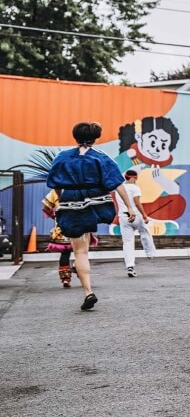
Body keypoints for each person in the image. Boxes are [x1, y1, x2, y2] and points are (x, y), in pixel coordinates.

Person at [45, 122, 136, 311]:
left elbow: (54, 183)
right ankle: (87, 290)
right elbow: (117, 183)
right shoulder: (101, 157)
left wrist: (62, 200)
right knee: (85, 246)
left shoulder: (62, 157)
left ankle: (88, 291)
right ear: (95, 138)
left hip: (71, 204)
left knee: (79, 252)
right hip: (96, 204)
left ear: (75, 136)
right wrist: (129, 207)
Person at [115, 169, 156, 277]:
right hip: (135, 215)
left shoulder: (119, 189)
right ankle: (150, 253)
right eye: (136, 178)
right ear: (133, 178)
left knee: (127, 242)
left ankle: (130, 266)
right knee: (144, 231)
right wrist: (145, 216)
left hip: (123, 216)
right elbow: (137, 203)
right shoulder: (135, 188)